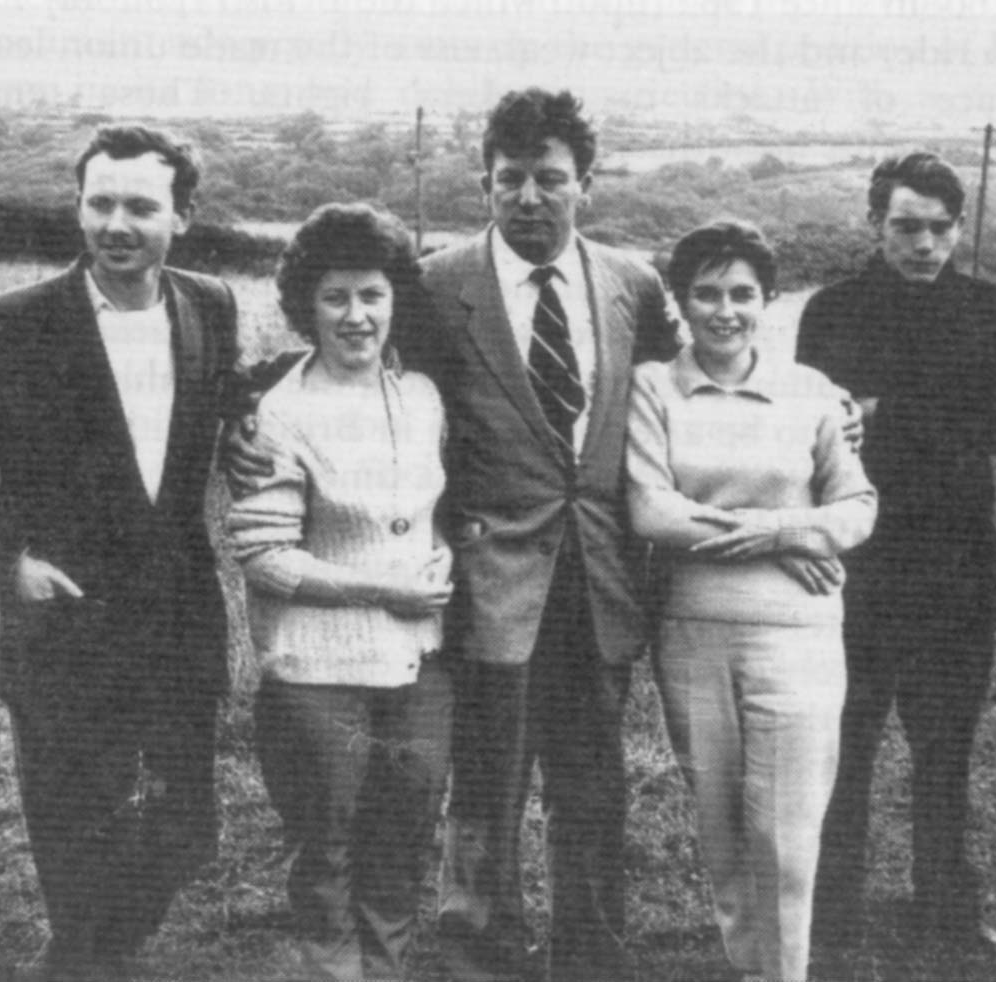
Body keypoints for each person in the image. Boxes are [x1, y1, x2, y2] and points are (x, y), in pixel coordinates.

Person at [0, 125, 243, 982]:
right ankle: (82, 954)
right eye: (99, 201)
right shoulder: (13, 325)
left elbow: (224, 409)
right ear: (78, 205)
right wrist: (6, 565)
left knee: (186, 829)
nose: (116, 223)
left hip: (177, 618)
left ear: (183, 215)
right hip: (64, 621)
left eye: (141, 205)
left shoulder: (210, 304)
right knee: (74, 823)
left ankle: (102, 942)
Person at [396, 88, 679, 982]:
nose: (529, 197)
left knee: (594, 784)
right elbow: (380, 391)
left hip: (602, 578)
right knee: (485, 783)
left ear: (584, 184)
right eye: (509, 179)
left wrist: (814, 409)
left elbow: (687, 397)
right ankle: (479, 953)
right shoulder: (436, 286)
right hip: (489, 578)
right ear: (485, 182)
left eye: (549, 179)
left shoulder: (634, 283)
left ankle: (592, 955)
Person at [626, 220, 878, 982]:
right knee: (723, 824)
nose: (724, 310)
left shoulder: (812, 391)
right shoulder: (652, 386)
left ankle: (784, 974)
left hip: (799, 634)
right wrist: (788, 536)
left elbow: (856, 508)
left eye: (742, 293)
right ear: (681, 301)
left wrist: (783, 527)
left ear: (769, 297)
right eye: (705, 293)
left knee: (786, 831)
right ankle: (749, 965)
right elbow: (651, 511)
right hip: (693, 634)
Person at [795, 151, 996, 952]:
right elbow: (819, 437)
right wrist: (929, 416)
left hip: (961, 567)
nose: (924, 244)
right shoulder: (831, 310)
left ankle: (946, 915)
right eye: (905, 227)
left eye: (939, 228)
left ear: (958, 228)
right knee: (845, 748)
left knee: (945, 748)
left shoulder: (989, 308)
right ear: (874, 224)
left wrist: (886, 410)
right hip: (860, 568)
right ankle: (832, 919)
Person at [224, 203, 453, 982]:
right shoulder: (277, 413)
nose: (356, 316)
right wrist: (381, 590)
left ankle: (383, 972)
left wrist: (440, 559)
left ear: (395, 301)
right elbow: (264, 557)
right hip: (316, 674)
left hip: (419, 666)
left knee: (403, 841)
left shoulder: (422, 397)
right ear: (306, 307)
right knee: (325, 850)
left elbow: (422, 514)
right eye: (336, 298)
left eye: (372, 296)